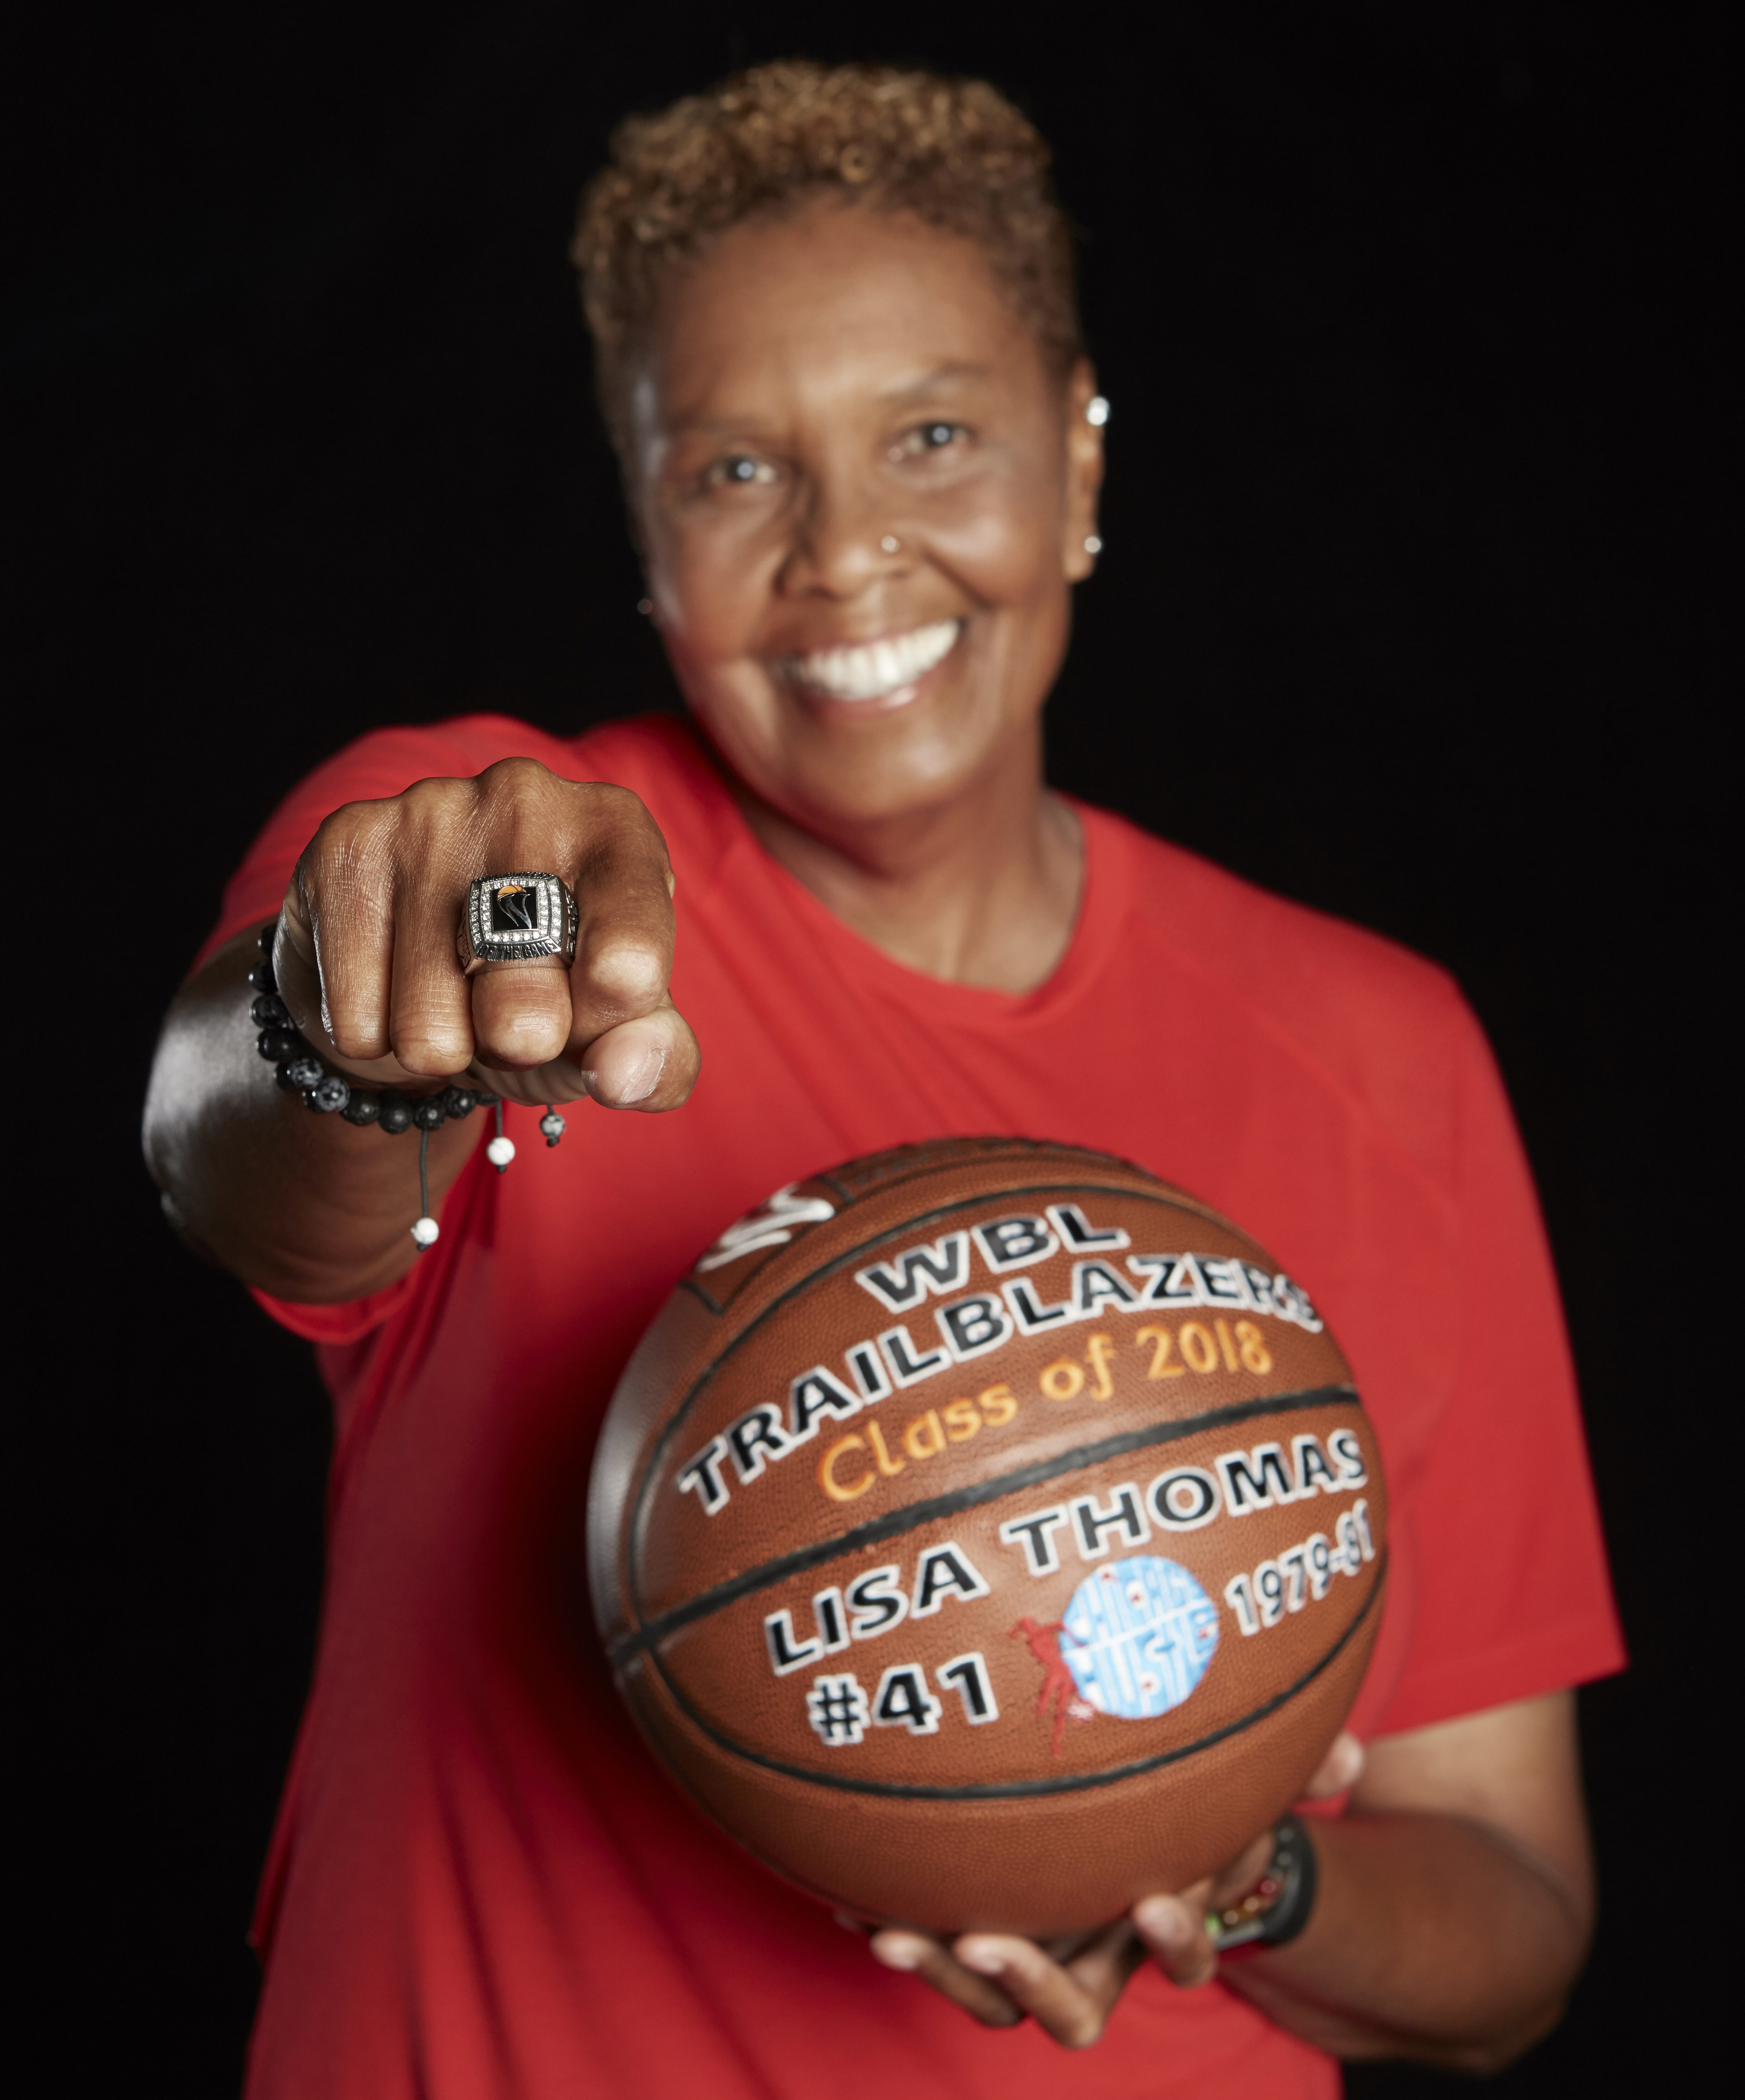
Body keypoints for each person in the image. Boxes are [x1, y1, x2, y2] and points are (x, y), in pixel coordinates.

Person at [144, 60, 1622, 2100]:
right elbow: (236, 1157)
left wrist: (1231, 1862)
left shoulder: (1381, 1045)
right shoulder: (508, 863)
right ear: (644, 528)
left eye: (934, 436)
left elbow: (1515, 1928)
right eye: (735, 473)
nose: (847, 555)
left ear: (1080, 456)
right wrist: (341, 1025)